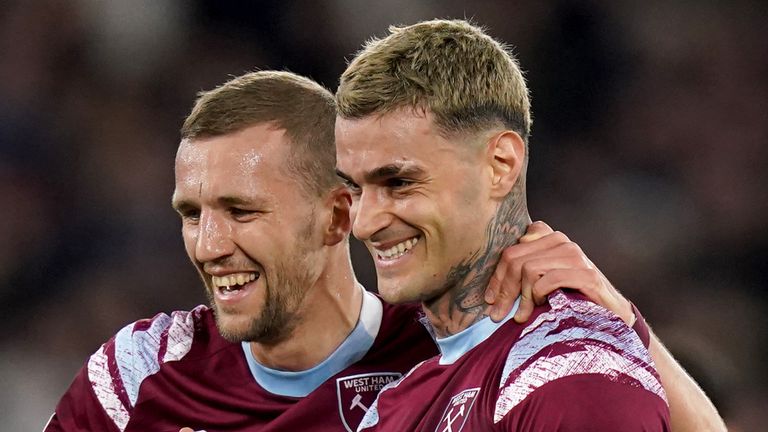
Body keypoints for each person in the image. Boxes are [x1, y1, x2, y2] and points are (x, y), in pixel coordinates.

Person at [46, 72, 720, 431]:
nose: (209, 245)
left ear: (338, 215)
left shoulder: (448, 353)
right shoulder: (141, 376)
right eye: (191, 215)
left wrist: (626, 321)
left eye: (241, 212)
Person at [334, 19, 719, 431]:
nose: (364, 224)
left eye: (399, 182)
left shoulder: (570, 369)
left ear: (500, 165)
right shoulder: (393, 400)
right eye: (355, 189)